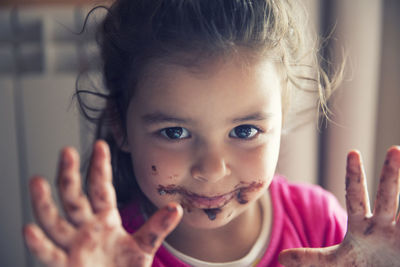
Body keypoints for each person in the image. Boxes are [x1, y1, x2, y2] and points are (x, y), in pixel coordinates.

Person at [23, 0, 400, 266]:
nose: (212, 169)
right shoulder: (110, 254)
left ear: (280, 122)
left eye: (246, 129)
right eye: (174, 132)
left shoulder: (319, 224)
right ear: (121, 126)